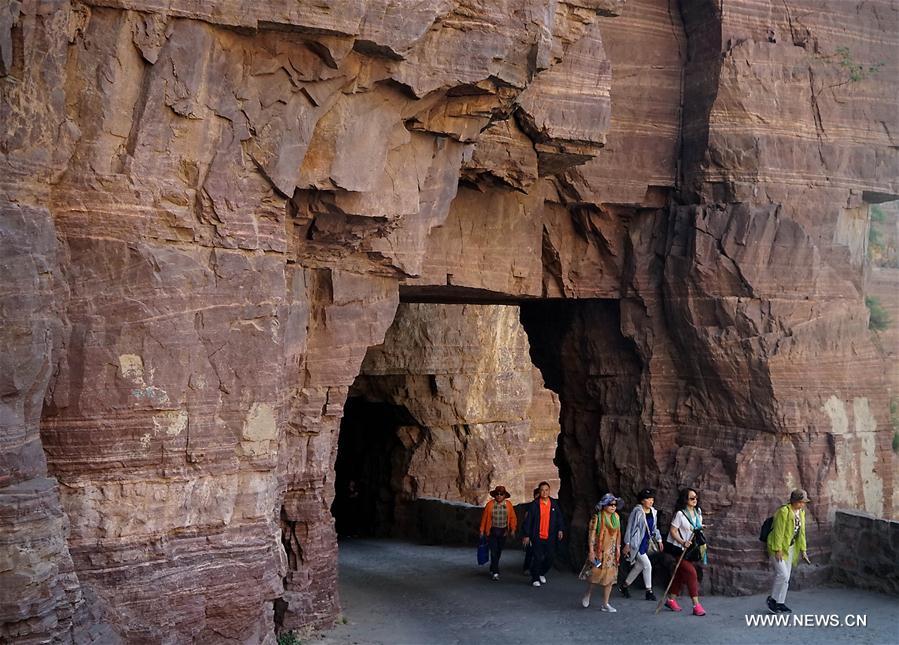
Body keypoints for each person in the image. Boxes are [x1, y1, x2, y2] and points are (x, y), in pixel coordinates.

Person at [766, 489, 811, 614]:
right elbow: (778, 532)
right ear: (795, 501)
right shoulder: (784, 512)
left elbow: (801, 533)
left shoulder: (801, 513)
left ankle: (780, 602)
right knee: (782, 574)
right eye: (801, 502)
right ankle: (772, 600)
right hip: (778, 547)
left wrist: (803, 550)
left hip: (790, 547)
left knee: (787, 577)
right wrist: (777, 549)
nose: (803, 504)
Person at [664, 488, 706, 616]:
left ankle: (671, 600)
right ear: (685, 500)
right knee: (692, 573)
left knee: (680, 575)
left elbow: (696, 528)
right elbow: (673, 531)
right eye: (691, 498)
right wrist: (682, 542)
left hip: (691, 549)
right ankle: (696, 605)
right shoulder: (680, 514)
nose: (695, 500)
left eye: (696, 498)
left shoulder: (698, 512)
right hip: (680, 549)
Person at [620, 488, 663, 600]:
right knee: (647, 565)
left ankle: (624, 586)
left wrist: (659, 539)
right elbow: (630, 527)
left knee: (639, 566)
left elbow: (654, 528)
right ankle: (649, 591)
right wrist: (627, 543)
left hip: (646, 542)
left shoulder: (653, 512)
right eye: (648, 499)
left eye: (652, 499)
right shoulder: (637, 511)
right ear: (642, 500)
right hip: (636, 543)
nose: (651, 501)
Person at [581, 494, 622, 612]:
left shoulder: (617, 518)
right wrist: (591, 551)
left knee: (610, 579)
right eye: (610, 504)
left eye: (615, 505)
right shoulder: (597, 518)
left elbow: (618, 533)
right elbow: (592, 535)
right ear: (604, 505)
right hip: (599, 552)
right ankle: (588, 593)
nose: (613, 507)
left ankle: (605, 603)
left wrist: (618, 548)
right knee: (595, 575)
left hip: (612, 553)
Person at [521, 481, 566, 587]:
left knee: (550, 557)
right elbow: (528, 521)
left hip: (550, 536)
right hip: (537, 536)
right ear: (539, 491)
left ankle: (541, 572)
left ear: (549, 491)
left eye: (546, 490)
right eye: (542, 490)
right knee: (537, 557)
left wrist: (560, 529)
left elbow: (559, 517)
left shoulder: (554, 503)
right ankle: (535, 578)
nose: (544, 492)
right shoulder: (534, 505)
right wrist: (526, 535)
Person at [479, 485, 518, 580]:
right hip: (492, 531)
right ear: (494, 495)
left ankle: (493, 566)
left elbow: (513, 518)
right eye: (497, 494)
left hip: (503, 532)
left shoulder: (508, 505)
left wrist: (513, 529)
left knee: (499, 551)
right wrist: (482, 530)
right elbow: (484, 518)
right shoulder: (490, 505)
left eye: (501, 494)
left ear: (504, 495)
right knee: (493, 551)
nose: (499, 496)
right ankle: (495, 572)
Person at [521, 487, 540, 576]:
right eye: (538, 495)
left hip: (541, 533)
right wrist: (526, 534)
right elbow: (526, 520)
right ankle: (527, 568)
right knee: (530, 552)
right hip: (531, 533)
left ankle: (536, 569)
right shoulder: (531, 506)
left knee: (539, 552)